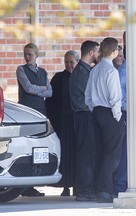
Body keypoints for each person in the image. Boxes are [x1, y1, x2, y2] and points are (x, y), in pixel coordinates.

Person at [85, 37, 125, 203]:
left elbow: (87, 95)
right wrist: (118, 117)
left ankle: (99, 189)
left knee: (100, 152)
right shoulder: (112, 71)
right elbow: (115, 97)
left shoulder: (94, 70)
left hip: (96, 113)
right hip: (110, 114)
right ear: (115, 52)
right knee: (112, 154)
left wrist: (92, 108)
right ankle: (105, 191)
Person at [16, 42, 52, 197]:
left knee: (39, 147)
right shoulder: (21, 70)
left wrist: (41, 90)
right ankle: (25, 185)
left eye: (30, 54)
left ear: (36, 55)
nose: (27, 57)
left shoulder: (43, 72)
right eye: (25, 54)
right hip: (27, 110)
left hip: (40, 111)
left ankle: (33, 183)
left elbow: (50, 92)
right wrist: (42, 89)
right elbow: (28, 88)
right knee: (27, 147)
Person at [69, 40, 100, 201]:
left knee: (88, 153)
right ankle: (83, 190)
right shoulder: (81, 72)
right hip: (84, 116)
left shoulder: (84, 70)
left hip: (84, 116)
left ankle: (85, 188)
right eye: (97, 52)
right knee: (86, 154)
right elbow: (86, 99)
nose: (99, 55)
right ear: (90, 53)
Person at [46, 50, 79, 196]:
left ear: (77, 62)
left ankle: (78, 185)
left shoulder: (82, 76)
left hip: (78, 122)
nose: (69, 65)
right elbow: (51, 102)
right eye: (67, 62)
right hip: (64, 123)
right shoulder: (59, 78)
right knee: (65, 155)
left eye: (72, 62)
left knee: (78, 154)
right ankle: (65, 186)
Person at [113, 34, 128, 198]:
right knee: (124, 152)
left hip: (125, 113)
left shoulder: (122, 69)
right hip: (125, 114)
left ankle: (121, 184)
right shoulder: (122, 70)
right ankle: (120, 185)